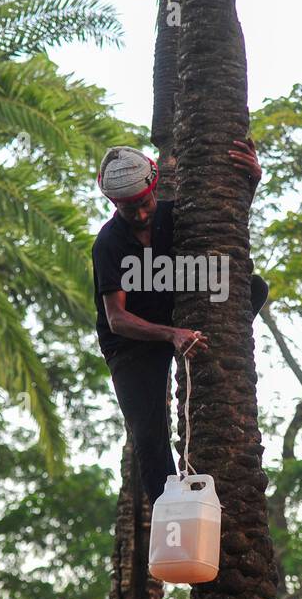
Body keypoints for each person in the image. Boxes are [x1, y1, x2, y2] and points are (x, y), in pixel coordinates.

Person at [92, 142, 268, 506]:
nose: (141, 215)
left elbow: (225, 227)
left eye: (145, 204)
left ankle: (221, 347)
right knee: (148, 435)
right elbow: (117, 318)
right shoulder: (108, 243)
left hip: (177, 314)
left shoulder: (175, 216)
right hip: (132, 344)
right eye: (129, 209)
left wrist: (251, 179)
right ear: (114, 205)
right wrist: (171, 335)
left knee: (254, 287)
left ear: (154, 189)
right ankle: (173, 510)